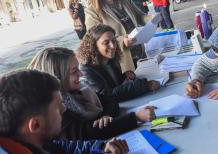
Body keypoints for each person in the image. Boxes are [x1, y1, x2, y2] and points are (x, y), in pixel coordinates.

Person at [27, 47, 156, 140]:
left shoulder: (81, 90)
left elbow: (110, 101)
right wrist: (136, 118)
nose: (81, 74)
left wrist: (105, 116)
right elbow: (87, 133)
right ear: (58, 76)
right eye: (74, 71)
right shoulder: (57, 108)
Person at [0, 70, 128, 154]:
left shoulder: (37, 142)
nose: (64, 108)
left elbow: (62, 148)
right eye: (57, 106)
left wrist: (101, 147)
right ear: (35, 125)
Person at [77, 24, 160, 102]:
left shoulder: (110, 57)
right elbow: (107, 95)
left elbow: (117, 86)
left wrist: (126, 76)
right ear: (93, 46)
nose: (113, 46)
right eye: (106, 43)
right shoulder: (86, 69)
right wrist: (144, 86)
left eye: (114, 41)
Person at [85, 0, 147, 73]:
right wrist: (121, 40)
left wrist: (152, 18)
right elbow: (96, 41)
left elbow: (140, 16)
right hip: (120, 63)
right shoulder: (92, 12)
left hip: (140, 53)